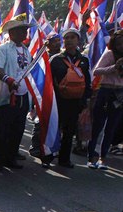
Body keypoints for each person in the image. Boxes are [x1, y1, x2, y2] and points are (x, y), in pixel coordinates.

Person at [0, 15, 34, 171]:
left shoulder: (26, 50)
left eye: (25, 30)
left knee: (18, 128)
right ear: (12, 33)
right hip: (6, 96)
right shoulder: (2, 49)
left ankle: (11, 157)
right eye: (22, 30)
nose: (25, 33)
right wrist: (9, 81)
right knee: (3, 129)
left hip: (22, 96)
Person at [49, 28, 91, 168]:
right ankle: (48, 154)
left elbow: (88, 82)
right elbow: (48, 81)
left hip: (75, 102)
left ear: (78, 40)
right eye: (66, 38)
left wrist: (85, 101)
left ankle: (64, 158)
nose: (69, 40)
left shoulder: (84, 60)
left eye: (72, 37)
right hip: (58, 101)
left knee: (69, 131)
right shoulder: (56, 60)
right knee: (54, 128)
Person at [87, 30, 123, 170]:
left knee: (111, 128)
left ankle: (103, 158)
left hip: (120, 94)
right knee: (98, 126)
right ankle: (91, 157)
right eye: (119, 43)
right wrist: (114, 67)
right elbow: (97, 71)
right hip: (106, 91)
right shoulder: (110, 55)